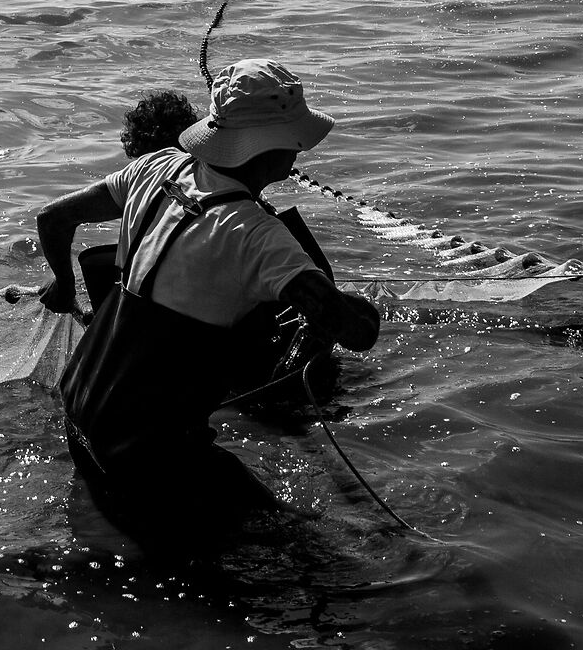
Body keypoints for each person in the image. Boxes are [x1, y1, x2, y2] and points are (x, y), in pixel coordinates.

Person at [36, 59, 381, 552]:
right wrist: (363, 308)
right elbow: (357, 333)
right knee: (304, 549)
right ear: (271, 146)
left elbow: (53, 218)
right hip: (146, 450)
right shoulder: (259, 237)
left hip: (83, 413)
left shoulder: (156, 169)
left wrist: (64, 285)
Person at [78, 87, 342, 405]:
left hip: (96, 387)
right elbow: (345, 321)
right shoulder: (256, 231)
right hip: (187, 387)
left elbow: (53, 217)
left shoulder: (147, 182)